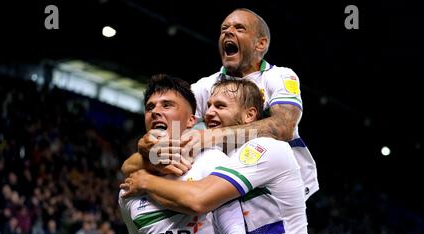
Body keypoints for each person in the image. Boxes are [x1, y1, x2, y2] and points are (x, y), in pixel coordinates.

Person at [121, 79, 331, 234]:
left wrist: (145, 181)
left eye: (220, 106)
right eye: (209, 105)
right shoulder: (219, 155)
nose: (209, 112)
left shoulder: (267, 150)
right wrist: (144, 154)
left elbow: (199, 199)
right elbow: (130, 164)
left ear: (249, 116)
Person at [122, 8, 318, 200]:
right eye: (224, 29)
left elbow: (283, 127)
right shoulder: (205, 86)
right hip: (230, 183)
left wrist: (209, 136)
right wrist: (149, 146)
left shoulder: (279, 76)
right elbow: (170, 126)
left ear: (261, 44)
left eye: (239, 28)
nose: (228, 32)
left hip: (280, 188)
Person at [118, 74, 248, 234]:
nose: (155, 111)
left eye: (167, 105)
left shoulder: (212, 161)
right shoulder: (129, 187)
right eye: (150, 107)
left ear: (191, 120)